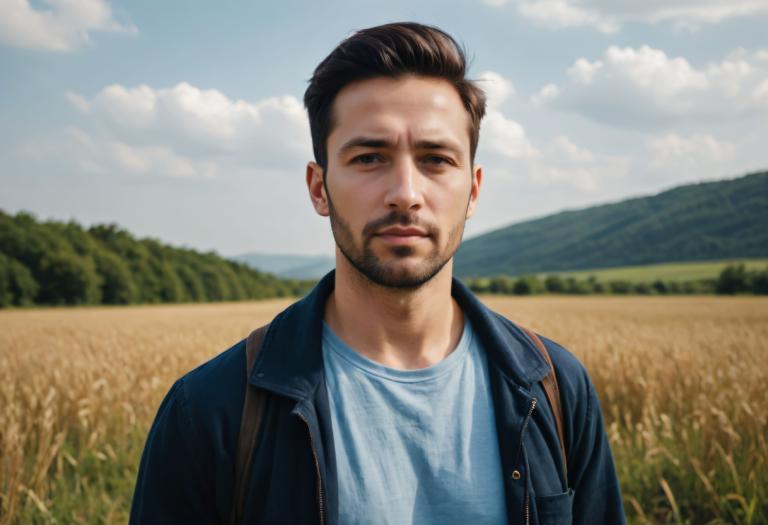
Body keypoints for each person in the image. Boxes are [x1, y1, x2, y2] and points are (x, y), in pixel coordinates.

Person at [129, 22, 625, 525]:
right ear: (319, 187)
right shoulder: (212, 409)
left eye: (436, 159)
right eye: (369, 158)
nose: (405, 192)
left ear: (473, 190)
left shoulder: (556, 389)